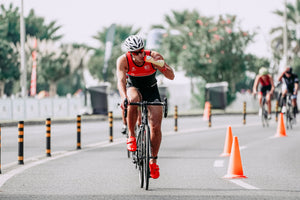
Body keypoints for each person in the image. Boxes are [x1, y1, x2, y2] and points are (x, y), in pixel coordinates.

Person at [116, 35, 175, 179]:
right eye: (136, 52)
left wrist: (160, 65)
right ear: (130, 53)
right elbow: (121, 80)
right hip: (133, 87)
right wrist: (124, 97)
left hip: (151, 89)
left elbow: (171, 76)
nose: (140, 54)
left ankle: (153, 161)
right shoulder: (123, 60)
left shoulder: (153, 56)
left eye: (142, 50)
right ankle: (131, 135)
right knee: (133, 100)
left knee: (155, 126)